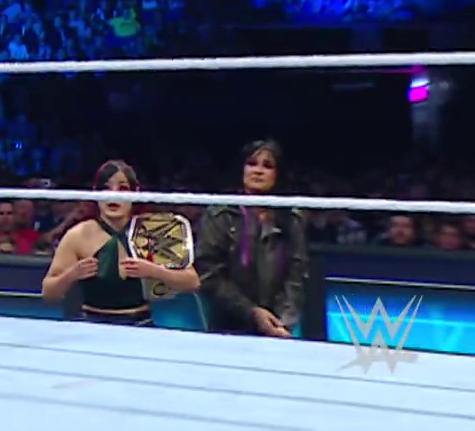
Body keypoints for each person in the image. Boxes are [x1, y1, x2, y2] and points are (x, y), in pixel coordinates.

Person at [41, 161, 200, 326]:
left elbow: (192, 282)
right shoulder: (78, 235)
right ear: (96, 194)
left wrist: (155, 271)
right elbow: (48, 293)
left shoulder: (153, 230)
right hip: (92, 327)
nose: (113, 196)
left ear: (135, 193)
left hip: (140, 326)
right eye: (106, 188)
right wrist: (72, 274)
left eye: (122, 189)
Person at [195, 139, 309, 337]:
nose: (258, 171)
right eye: (252, 163)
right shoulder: (220, 215)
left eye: (267, 166)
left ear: (277, 174)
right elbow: (209, 274)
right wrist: (252, 312)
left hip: (277, 328)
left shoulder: (292, 219)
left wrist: (282, 324)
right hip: (227, 326)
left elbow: (296, 277)